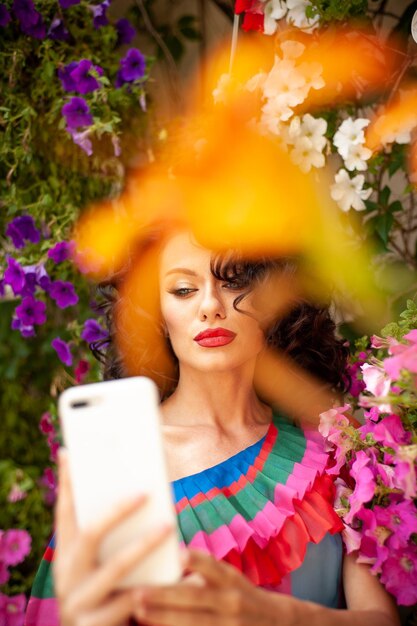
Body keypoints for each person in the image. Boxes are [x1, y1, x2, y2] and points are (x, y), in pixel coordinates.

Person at [26, 230, 400, 626]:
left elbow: (381, 620)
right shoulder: (122, 467)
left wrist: (273, 615)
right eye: (184, 289)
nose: (210, 306)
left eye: (235, 281)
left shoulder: (334, 443)